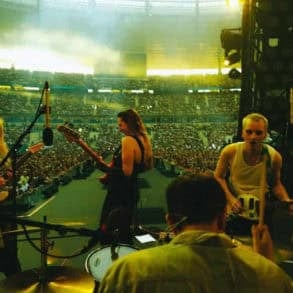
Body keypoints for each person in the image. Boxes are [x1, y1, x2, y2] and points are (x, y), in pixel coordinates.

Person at [98, 174, 292, 292]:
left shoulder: (127, 272)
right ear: (222, 219)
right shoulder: (271, 276)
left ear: (171, 221)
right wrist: (267, 263)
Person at [214, 113, 291, 234]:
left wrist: (287, 202)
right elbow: (218, 177)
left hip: (260, 214)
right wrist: (230, 199)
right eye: (249, 132)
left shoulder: (274, 157)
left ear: (265, 135)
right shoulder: (230, 151)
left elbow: (276, 184)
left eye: (258, 133)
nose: (253, 137)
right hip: (235, 212)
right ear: (242, 133)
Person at [97, 109, 153, 243]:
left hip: (119, 192)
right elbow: (143, 167)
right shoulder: (143, 139)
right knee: (124, 228)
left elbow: (126, 173)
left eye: (120, 125)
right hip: (132, 191)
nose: (119, 128)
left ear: (129, 124)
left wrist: (102, 167)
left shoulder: (127, 140)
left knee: (108, 227)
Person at [0, 117, 21, 277]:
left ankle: (14, 281)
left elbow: (8, 180)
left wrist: (10, 177)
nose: (2, 133)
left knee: (11, 249)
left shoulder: (3, 152)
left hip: (6, 205)